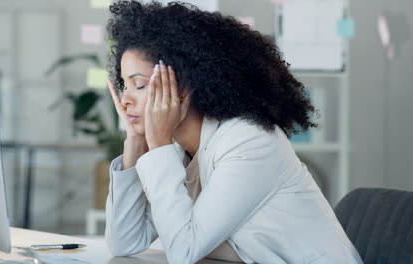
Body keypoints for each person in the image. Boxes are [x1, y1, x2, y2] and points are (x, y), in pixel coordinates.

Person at [104, 1, 363, 263]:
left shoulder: (248, 141)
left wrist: (157, 142)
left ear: (183, 89)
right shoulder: (181, 151)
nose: (125, 99)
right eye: (124, 84)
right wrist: (135, 142)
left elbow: (183, 251)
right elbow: (125, 241)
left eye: (139, 85)